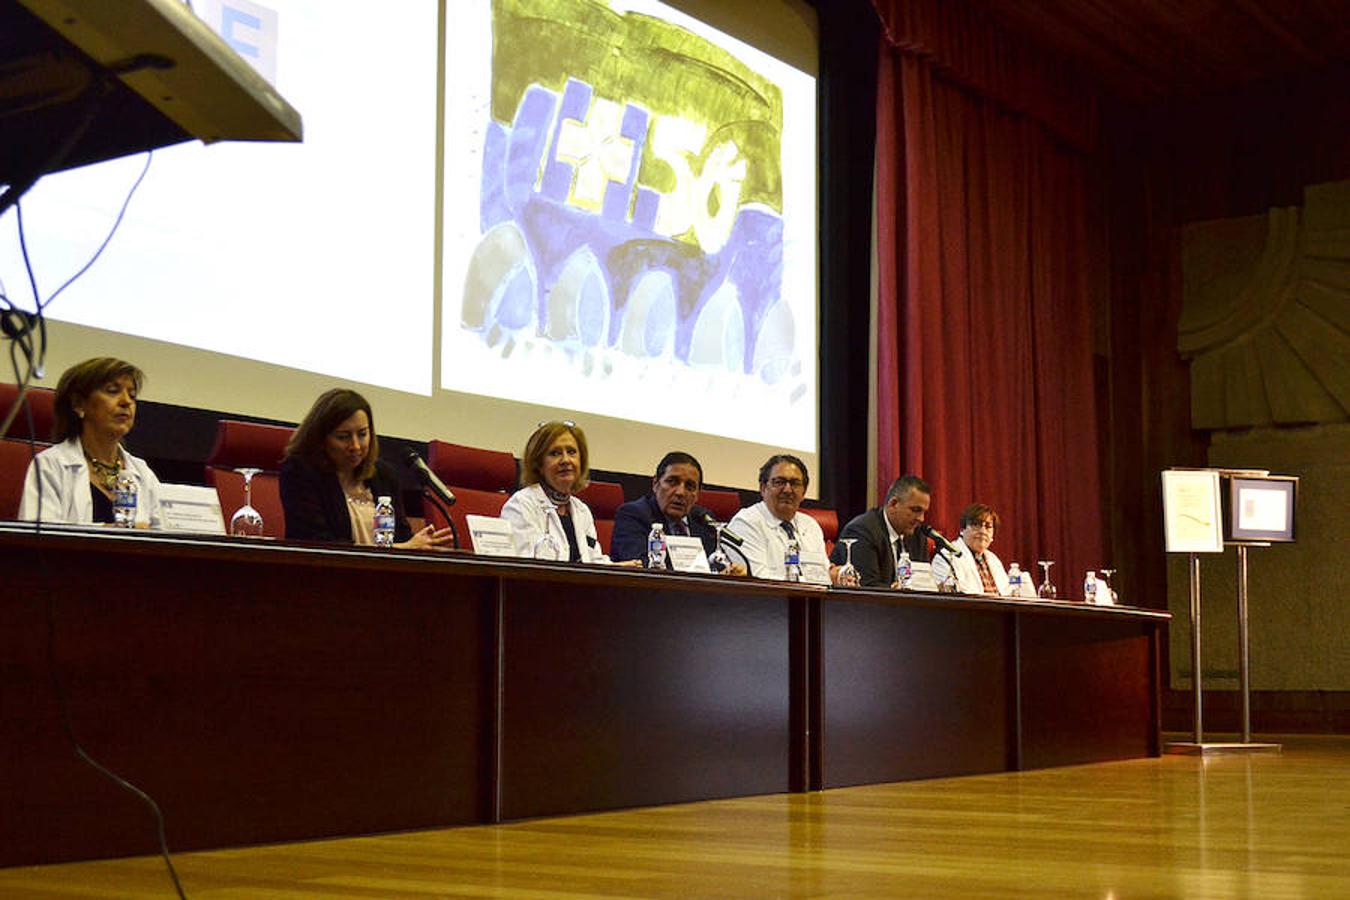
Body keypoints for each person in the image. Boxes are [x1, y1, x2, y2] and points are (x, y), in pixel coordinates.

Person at [280, 388, 453, 549]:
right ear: (321, 438)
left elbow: (400, 537)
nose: (355, 446)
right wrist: (402, 548)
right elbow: (318, 545)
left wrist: (422, 545)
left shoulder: (383, 475)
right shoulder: (300, 472)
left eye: (362, 434)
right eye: (343, 437)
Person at [19, 357, 164, 527]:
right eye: (112, 391)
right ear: (79, 404)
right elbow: (37, 538)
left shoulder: (143, 473)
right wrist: (112, 530)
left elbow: (166, 539)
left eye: (132, 395)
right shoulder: (49, 465)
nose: (126, 402)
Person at [610, 451, 746, 574]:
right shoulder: (634, 514)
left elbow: (715, 566)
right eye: (672, 482)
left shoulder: (702, 519)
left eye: (690, 486)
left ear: (698, 494)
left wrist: (728, 572)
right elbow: (640, 567)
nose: (680, 492)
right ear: (655, 484)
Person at [500, 420, 610, 563]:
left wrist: (618, 568)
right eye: (555, 453)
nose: (565, 460)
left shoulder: (581, 510)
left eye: (571, 452)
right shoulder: (521, 505)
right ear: (539, 464)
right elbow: (526, 566)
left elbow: (594, 561)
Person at [727, 453, 840, 584]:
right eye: (779, 482)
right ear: (763, 488)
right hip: (764, 602)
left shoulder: (810, 525)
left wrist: (834, 575)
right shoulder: (746, 523)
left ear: (804, 492)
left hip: (811, 600)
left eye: (795, 483)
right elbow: (758, 579)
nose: (787, 490)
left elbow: (823, 574)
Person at [829, 475, 931, 587]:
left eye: (924, 512)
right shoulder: (862, 531)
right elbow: (866, 586)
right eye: (915, 510)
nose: (921, 519)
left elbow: (922, 583)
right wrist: (898, 592)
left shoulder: (918, 536)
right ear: (893, 504)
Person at [931, 503, 1011, 595]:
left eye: (988, 527)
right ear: (962, 529)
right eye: (976, 525)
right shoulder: (946, 557)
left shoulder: (994, 560)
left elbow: (1007, 593)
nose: (983, 531)